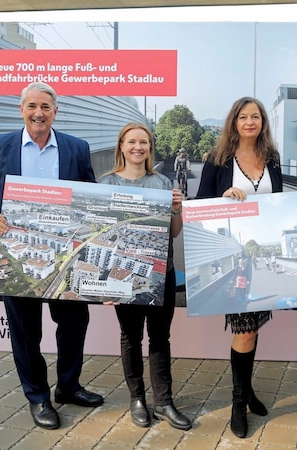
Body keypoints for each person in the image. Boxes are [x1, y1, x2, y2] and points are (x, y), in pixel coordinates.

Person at [0, 82, 103, 430]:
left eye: (45, 107)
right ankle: (38, 397)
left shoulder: (76, 148)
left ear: (56, 111)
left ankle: (68, 387)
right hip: (15, 258)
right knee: (25, 332)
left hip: (66, 259)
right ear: (21, 109)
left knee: (73, 324)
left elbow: (90, 196)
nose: (38, 113)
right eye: (32, 106)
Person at [196, 96, 283, 438]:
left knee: (254, 326)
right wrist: (222, 199)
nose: (250, 122)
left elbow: (278, 201)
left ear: (263, 122)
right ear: (233, 122)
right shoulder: (217, 160)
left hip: (262, 256)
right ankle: (237, 402)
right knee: (244, 329)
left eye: (256, 116)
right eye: (243, 117)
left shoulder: (272, 159)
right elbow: (199, 204)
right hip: (232, 258)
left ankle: (246, 392)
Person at [98, 123, 192, 430]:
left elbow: (174, 233)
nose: (138, 147)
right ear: (121, 146)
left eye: (144, 142)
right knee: (131, 337)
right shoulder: (106, 183)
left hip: (160, 272)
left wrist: (177, 210)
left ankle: (163, 401)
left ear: (150, 148)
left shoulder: (163, 183)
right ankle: (137, 398)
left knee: (160, 337)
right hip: (122, 274)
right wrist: (104, 283)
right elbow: (101, 236)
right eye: (132, 142)